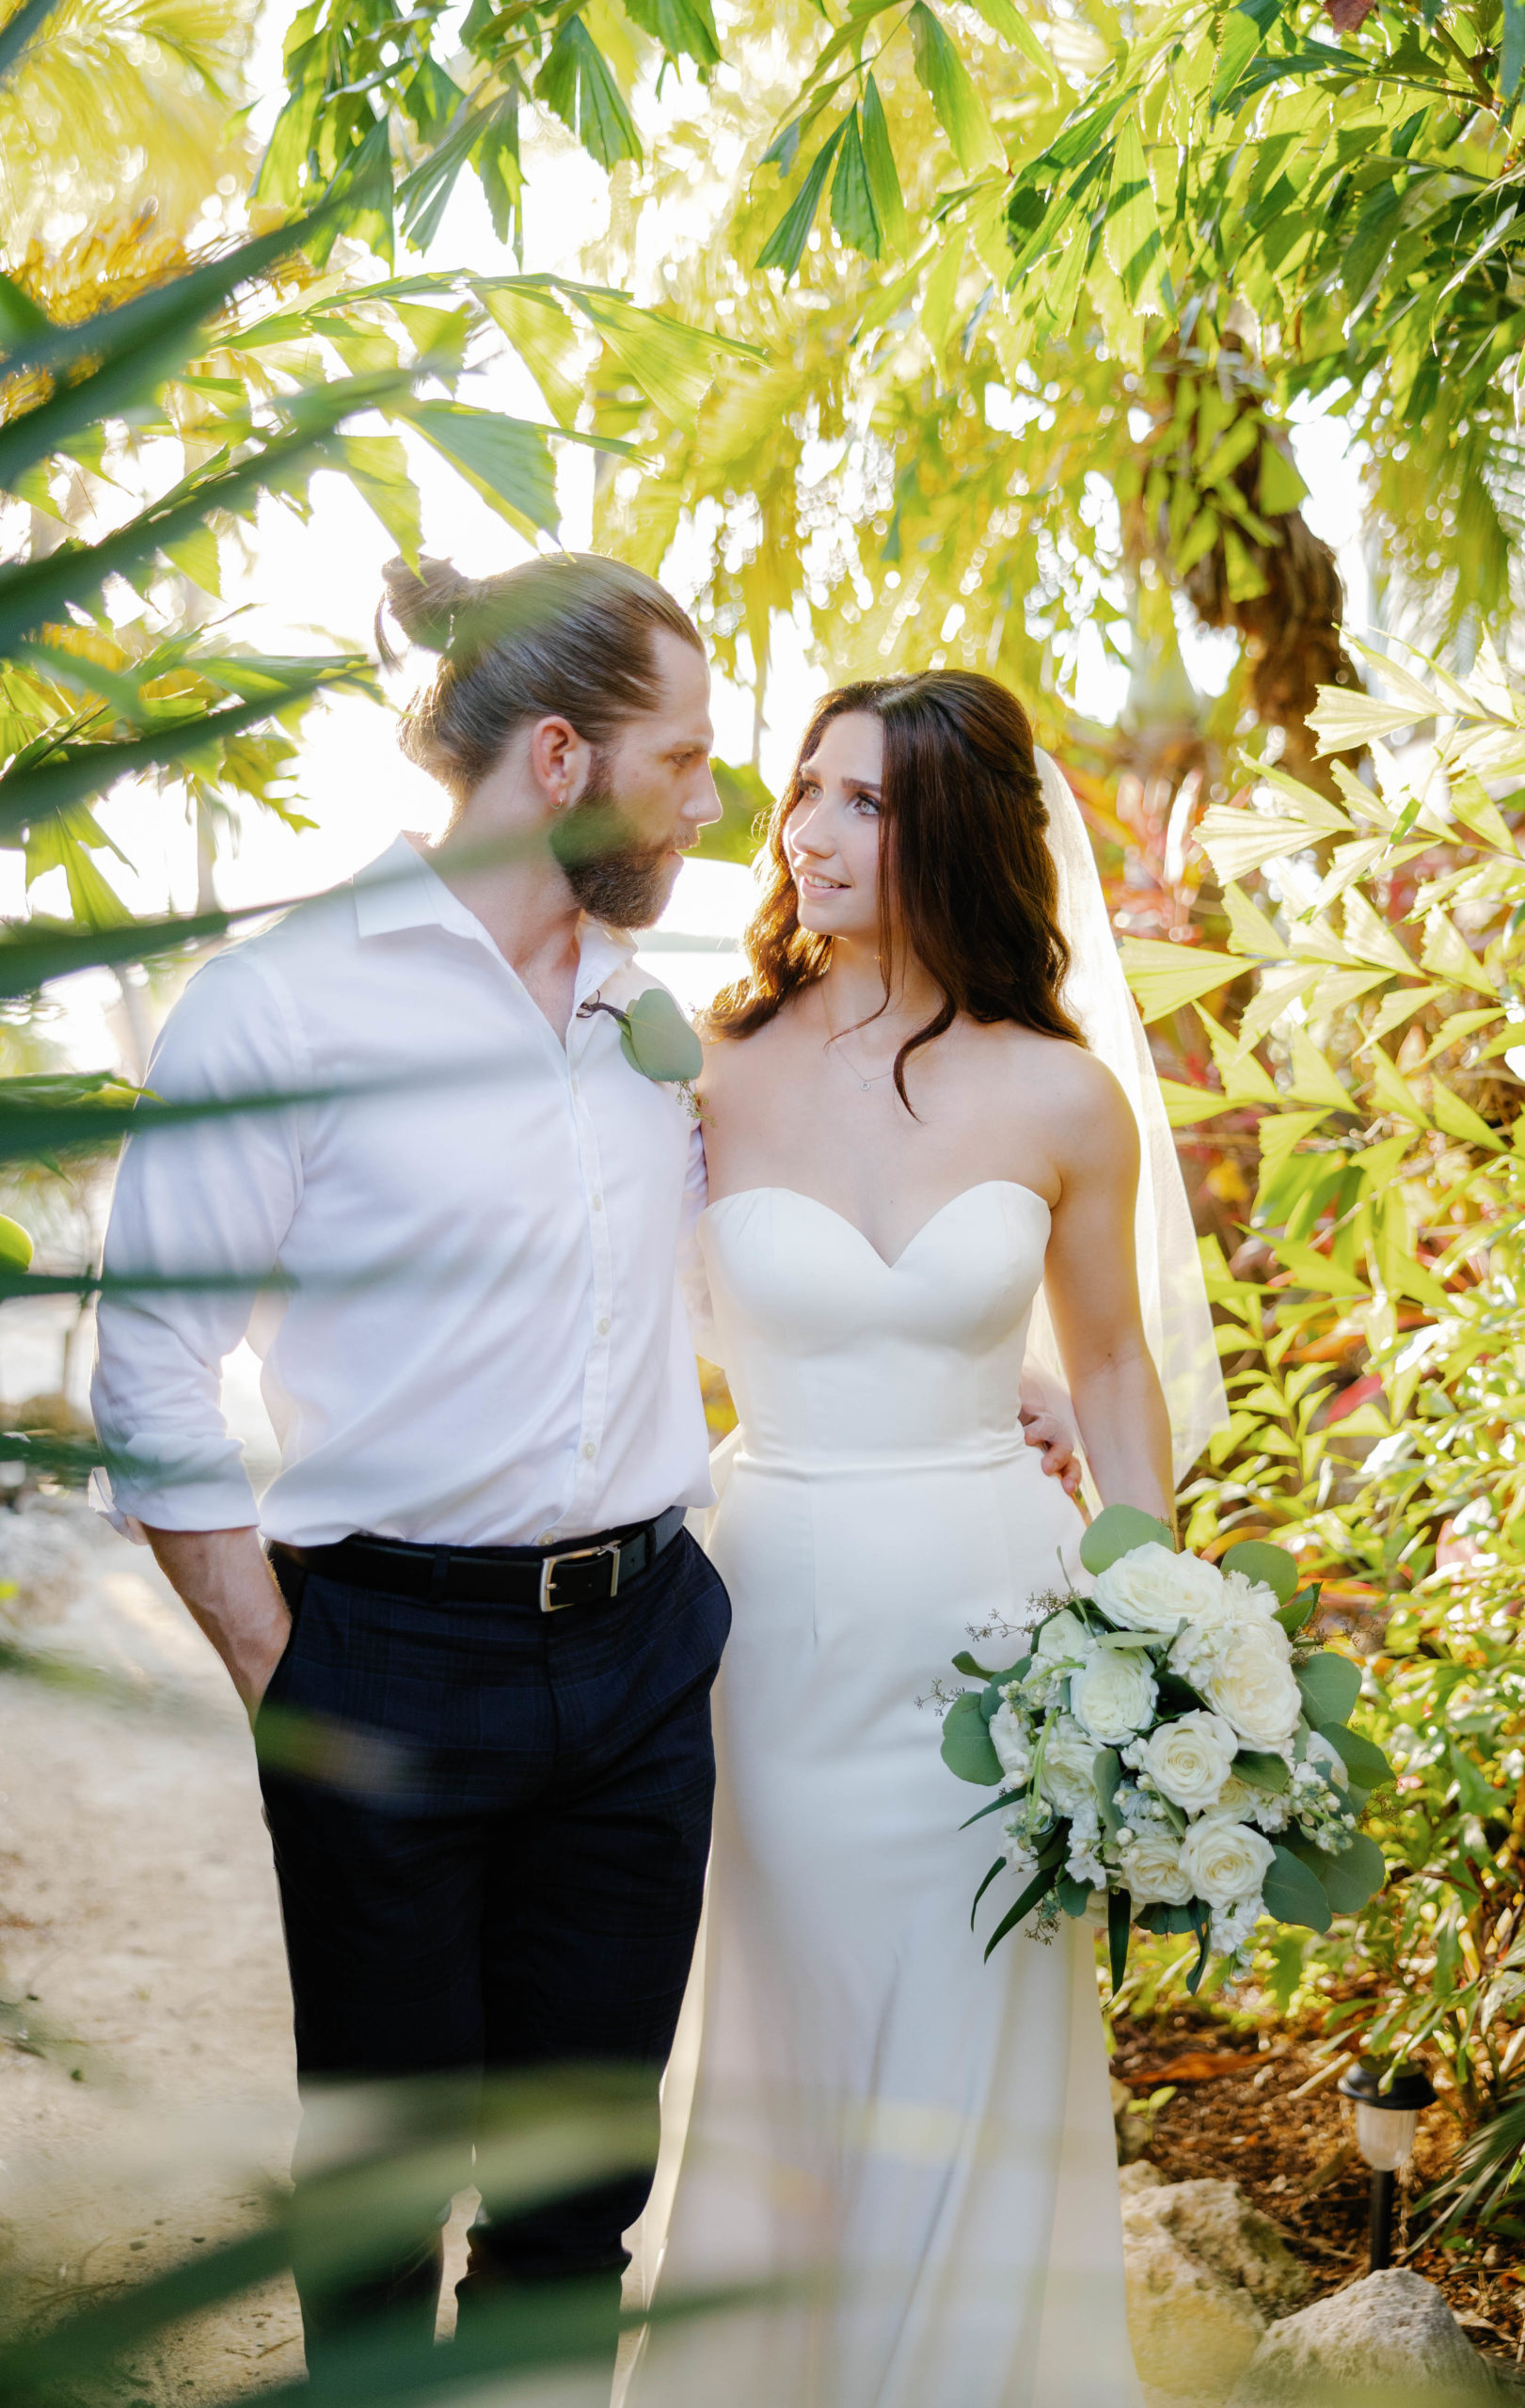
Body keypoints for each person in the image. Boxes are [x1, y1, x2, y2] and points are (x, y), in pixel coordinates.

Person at [88, 551, 739, 2361]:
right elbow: (148, 1354)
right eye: (678, 760)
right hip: (385, 1659)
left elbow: (733, 1255)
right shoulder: (285, 1006)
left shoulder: (646, 1013)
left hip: (640, 1663)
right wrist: (272, 1656)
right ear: (555, 758)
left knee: (575, 2196)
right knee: (380, 2192)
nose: (706, 798)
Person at [625, 672, 1225, 2408]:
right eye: (806, 790)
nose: (808, 831)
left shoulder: (1058, 1096)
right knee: (792, 2026)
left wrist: (1158, 1636)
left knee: (981, 2027)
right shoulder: (707, 1072)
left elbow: (1111, 1366)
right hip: (779, 1624)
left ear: (949, 831)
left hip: (1002, 1635)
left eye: (864, 803)